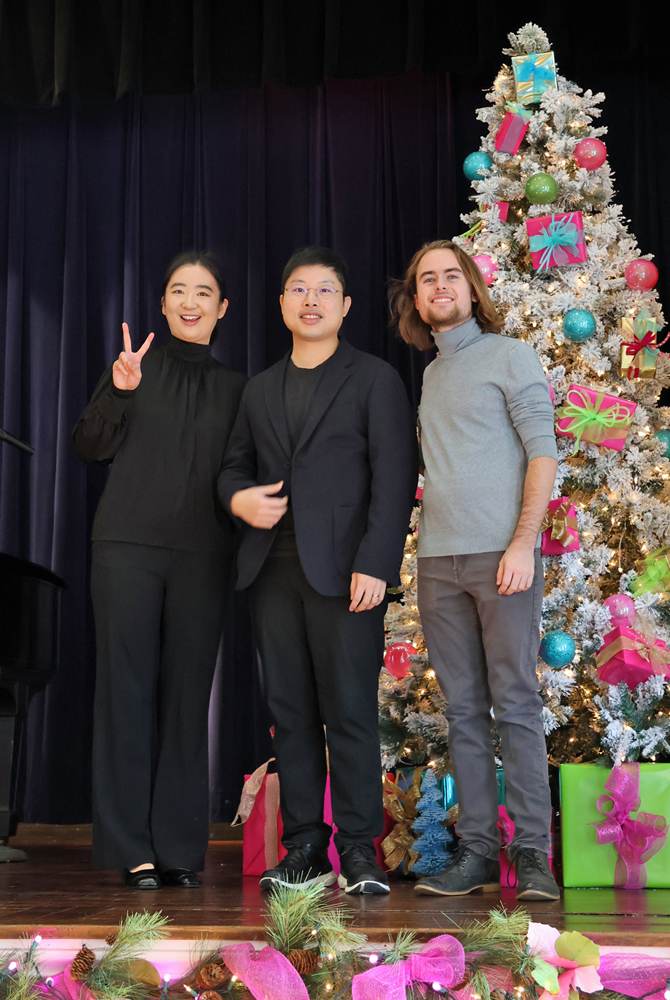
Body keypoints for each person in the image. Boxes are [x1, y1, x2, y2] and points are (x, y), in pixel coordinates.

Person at [219, 246, 418, 895]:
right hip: (270, 573)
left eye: (324, 290)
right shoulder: (259, 388)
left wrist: (377, 563)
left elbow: (395, 478)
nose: (311, 300)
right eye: (299, 289)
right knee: (291, 714)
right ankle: (305, 846)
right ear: (282, 304)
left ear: (345, 305)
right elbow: (233, 467)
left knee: (350, 712)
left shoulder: (374, 379)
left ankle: (359, 849)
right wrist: (238, 498)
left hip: (346, 575)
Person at [389, 239, 560, 901]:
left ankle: (534, 855)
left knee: (515, 702)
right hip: (438, 562)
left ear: (471, 287)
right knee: (463, 711)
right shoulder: (433, 374)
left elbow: (542, 453)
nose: (440, 286)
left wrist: (523, 543)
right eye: (427, 278)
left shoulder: (510, 355)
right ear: (416, 299)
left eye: (450, 275)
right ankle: (480, 854)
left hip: (501, 557)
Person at [74, 252, 246, 889]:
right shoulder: (133, 368)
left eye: (203, 291)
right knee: (125, 694)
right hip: (126, 549)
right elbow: (89, 445)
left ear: (221, 308)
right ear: (164, 304)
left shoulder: (239, 388)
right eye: (178, 290)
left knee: (186, 698)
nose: (190, 301)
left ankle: (177, 848)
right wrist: (120, 390)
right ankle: (131, 848)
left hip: (204, 556)